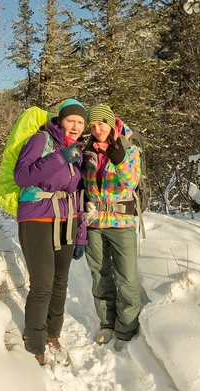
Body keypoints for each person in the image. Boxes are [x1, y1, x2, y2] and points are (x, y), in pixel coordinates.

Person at [13, 99, 88, 366]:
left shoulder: (77, 150)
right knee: (43, 283)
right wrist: (58, 158)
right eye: (71, 121)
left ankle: (53, 333)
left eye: (80, 123)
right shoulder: (40, 140)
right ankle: (34, 341)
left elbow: (77, 194)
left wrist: (81, 234)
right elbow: (21, 176)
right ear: (61, 120)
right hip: (36, 217)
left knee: (60, 281)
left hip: (66, 219)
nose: (76, 126)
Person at [81, 105, 142, 351]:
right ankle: (107, 323)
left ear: (110, 123)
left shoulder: (129, 147)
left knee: (126, 277)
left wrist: (119, 160)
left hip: (121, 222)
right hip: (94, 222)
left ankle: (126, 328)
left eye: (101, 124)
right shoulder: (87, 151)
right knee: (100, 275)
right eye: (93, 126)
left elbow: (131, 181)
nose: (97, 130)